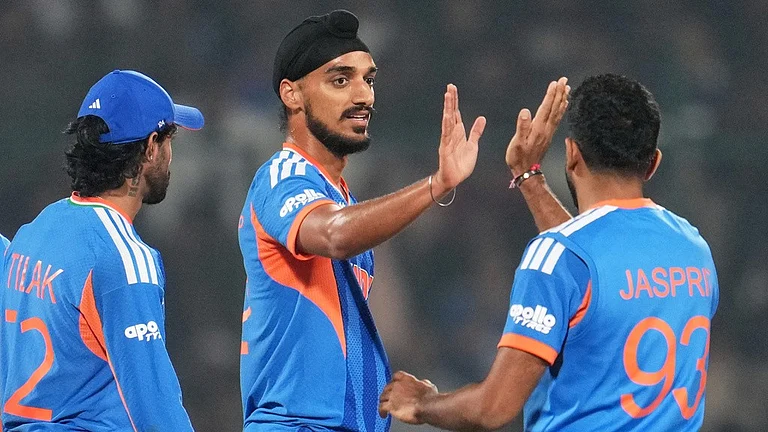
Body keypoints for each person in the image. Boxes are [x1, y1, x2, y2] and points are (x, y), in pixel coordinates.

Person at [379, 74, 719, 431]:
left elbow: (493, 408)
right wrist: (529, 177)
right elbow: (594, 264)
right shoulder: (693, 248)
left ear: (571, 154)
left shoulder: (558, 257)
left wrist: (422, 403)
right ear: (653, 163)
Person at [238, 9, 486, 432]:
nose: (364, 96)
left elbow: (334, 343)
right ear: (292, 95)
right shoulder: (283, 176)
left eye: (368, 80)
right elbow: (335, 235)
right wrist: (436, 184)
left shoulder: (341, 198)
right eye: (340, 80)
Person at [0, 69, 204, 431]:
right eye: (170, 140)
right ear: (151, 147)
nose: (171, 156)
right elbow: (156, 410)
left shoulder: (34, 233)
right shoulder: (123, 258)